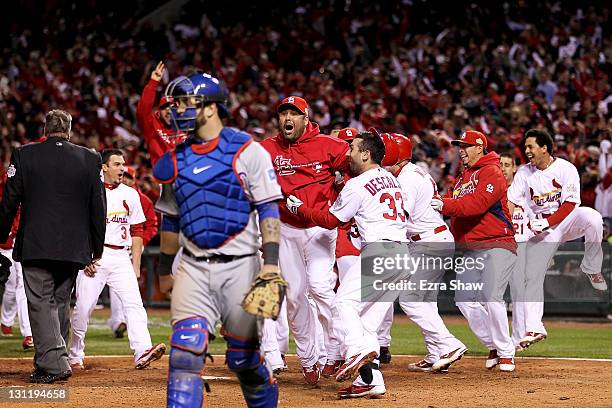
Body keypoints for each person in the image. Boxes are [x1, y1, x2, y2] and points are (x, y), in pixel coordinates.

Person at [153, 72, 282, 407]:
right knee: (184, 354)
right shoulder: (175, 160)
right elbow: (171, 219)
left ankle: (263, 389)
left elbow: (269, 210)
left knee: (242, 359)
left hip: (240, 267)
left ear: (210, 108)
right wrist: (166, 270)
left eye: (184, 102)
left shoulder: (248, 151)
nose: (176, 109)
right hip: (193, 267)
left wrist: (270, 266)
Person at [287, 131, 409, 398]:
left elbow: (332, 221)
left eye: (352, 148)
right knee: (365, 324)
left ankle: (355, 351)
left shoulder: (358, 183)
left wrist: (300, 210)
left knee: (343, 304)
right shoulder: (390, 178)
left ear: (366, 154)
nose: (347, 153)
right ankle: (371, 381)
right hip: (401, 255)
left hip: (381, 251)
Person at [0, 109, 106, 383]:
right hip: (74, 247)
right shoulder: (90, 158)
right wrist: (97, 247)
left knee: (40, 303)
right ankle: (46, 362)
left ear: (45, 130)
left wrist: (0, 234)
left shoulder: (24, 155)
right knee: (59, 302)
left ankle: (56, 364)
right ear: (69, 130)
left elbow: (10, 201)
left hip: (36, 244)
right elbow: (98, 207)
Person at [260, 96, 347, 385]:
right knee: (296, 296)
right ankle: (310, 359)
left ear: (305, 118)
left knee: (321, 287)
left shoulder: (328, 145)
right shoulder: (268, 148)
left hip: (320, 228)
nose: (288, 118)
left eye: (293, 114)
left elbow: (361, 160)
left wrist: (343, 182)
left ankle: (342, 348)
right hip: (286, 229)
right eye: (283, 113)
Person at [506, 129, 606, 349]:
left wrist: (548, 221)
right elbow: (511, 201)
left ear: (544, 147)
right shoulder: (524, 173)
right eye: (525, 147)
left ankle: (591, 267)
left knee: (593, 218)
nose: (526, 150)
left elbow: (571, 203)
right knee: (532, 275)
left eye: (531, 146)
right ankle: (534, 327)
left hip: (566, 221)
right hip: (543, 232)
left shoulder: (565, 168)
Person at [69, 149, 166, 370]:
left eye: (123, 164)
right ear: (103, 167)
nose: (122, 168)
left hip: (121, 255)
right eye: (117, 164)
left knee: (134, 304)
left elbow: (138, 230)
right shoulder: (88, 191)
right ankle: (75, 354)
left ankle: (142, 350)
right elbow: (77, 228)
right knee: (84, 308)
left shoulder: (131, 194)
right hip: (95, 257)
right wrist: (85, 258)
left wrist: (136, 266)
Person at [431, 130, 517, 372]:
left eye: (466, 146)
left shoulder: (492, 172)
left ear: (480, 147)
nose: (461, 150)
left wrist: (444, 204)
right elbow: (449, 201)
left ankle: (507, 352)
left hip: (498, 241)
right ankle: (494, 345)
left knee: (491, 296)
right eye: (459, 145)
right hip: (471, 248)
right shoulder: (462, 178)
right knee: (464, 299)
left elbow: (476, 205)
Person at [389, 133, 468, 373]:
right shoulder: (412, 172)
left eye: (386, 151)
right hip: (432, 239)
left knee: (410, 299)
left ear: (396, 156)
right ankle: (436, 353)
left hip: (428, 241)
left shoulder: (407, 179)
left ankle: (448, 345)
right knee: (426, 301)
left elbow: (402, 217)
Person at [107, 165, 159, 339]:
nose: (126, 179)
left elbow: (151, 224)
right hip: (111, 247)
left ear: (134, 178)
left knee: (129, 288)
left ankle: (124, 322)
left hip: (132, 246)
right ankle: (118, 321)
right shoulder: (109, 193)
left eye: (129, 177)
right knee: (110, 290)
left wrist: (141, 242)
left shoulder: (141, 199)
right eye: (125, 176)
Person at [500, 153, 534, 351]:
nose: (503, 168)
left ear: (514, 168)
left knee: (518, 294)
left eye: (507, 164)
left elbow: (535, 221)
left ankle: (519, 338)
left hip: (521, 245)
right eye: (500, 164)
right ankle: (499, 338)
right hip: (500, 246)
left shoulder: (525, 192)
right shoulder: (495, 191)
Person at [136, 61, 188, 166]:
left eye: (172, 107)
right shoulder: (152, 127)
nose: (169, 111)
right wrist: (153, 83)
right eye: (165, 108)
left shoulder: (186, 127)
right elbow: (142, 111)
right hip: (163, 178)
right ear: (159, 112)